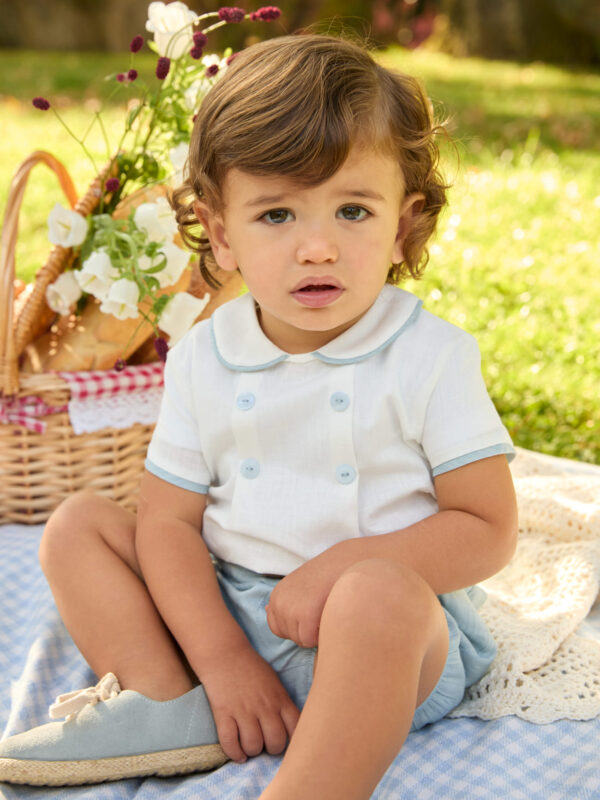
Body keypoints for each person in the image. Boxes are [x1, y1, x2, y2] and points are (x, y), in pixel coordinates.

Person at [0, 34, 518, 799]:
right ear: (220, 232)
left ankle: (310, 784)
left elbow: (487, 528)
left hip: (388, 643)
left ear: (403, 226)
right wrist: (223, 660)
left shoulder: (428, 356)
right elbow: (169, 524)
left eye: (351, 210)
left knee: (376, 595)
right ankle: (173, 701)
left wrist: (342, 569)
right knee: (80, 525)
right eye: (276, 215)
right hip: (232, 610)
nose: (317, 248)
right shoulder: (205, 355)